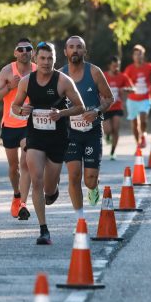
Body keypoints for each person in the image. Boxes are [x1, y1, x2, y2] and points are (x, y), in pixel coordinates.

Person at [11, 41, 87, 245]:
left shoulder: (63, 81)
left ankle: (52, 192)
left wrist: (61, 113)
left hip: (57, 138)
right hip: (35, 136)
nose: (46, 62)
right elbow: (15, 106)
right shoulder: (26, 81)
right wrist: (21, 110)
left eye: (50, 58)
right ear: (36, 59)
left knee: (48, 187)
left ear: (55, 59)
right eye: (42, 58)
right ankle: (43, 230)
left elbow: (81, 107)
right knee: (36, 179)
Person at [60, 36, 115, 215]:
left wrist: (97, 111)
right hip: (70, 133)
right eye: (71, 47)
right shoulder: (60, 75)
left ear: (84, 51)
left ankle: (93, 188)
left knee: (89, 180)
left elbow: (109, 98)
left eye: (79, 47)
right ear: (65, 52)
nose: (75, 50)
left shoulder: (94, 72)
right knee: (74, 175)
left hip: (92, 132)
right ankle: (79, 217)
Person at [0, 37, 36, 220]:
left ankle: (24, 205)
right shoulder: (7, 71)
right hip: (10, 124)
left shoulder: (38, 70)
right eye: (21, 49)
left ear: (32, 52)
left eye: (28, 49)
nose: (24, 52)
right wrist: (10, 87)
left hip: (30, 124)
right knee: (13, 168)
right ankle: (17, 195)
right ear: (15, 53)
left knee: (25, 163)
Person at [122, 45, 151, 148]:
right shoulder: (129, 69)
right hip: (132, 100)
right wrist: (127, 89)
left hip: (145, 98)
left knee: (143, 119)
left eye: (140, 54)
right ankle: (138, 143)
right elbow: (124, 82)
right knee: (134, 124)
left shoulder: (149, 66)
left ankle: (143, 134)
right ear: (133, 56)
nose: (138, 56)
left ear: (143, 55)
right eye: (136, 54)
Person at [102, 55, 133, 161]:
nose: (116, 68)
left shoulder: (123, 76)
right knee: (108, 130)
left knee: (116, 129)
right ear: (109, 66)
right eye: (114, 66)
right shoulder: (103, 76)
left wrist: (124, 89)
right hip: (105, 107)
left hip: (117, 106)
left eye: (118, 66)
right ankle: (107, 136)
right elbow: (95, 87)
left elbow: (132, 88)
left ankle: (112, 152)